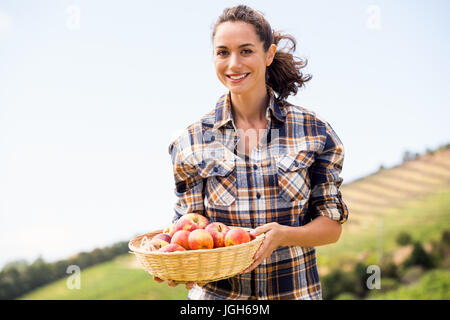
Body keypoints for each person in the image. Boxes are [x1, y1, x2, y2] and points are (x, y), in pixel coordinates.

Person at [155, 4, 349, 300]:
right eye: (223, 52)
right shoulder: (190, 141)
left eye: (246, 51)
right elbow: (189, 225)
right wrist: (173, 261)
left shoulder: (313, 130)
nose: (233, 64)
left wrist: (285, 236)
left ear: (269, 54)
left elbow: (331, 226)